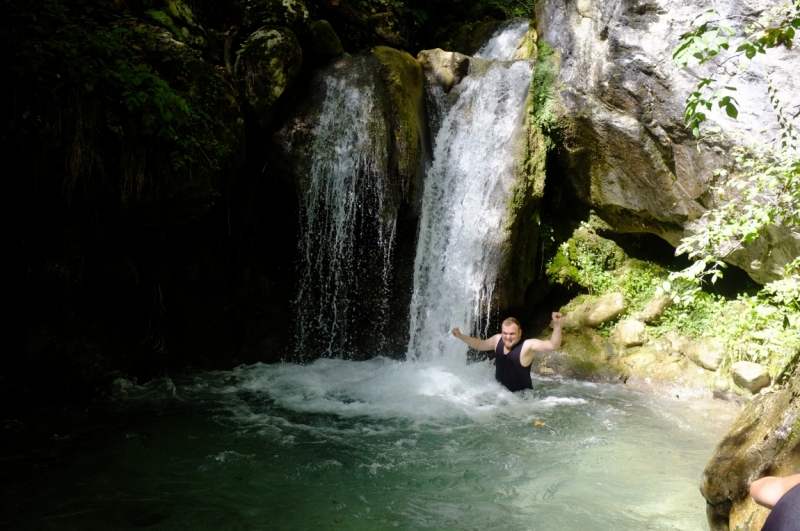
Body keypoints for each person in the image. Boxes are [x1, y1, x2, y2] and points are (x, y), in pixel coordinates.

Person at [451, 313, 563, 392]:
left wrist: (557, 325)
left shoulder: (527, 346)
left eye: (512, 334)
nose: (508, 337)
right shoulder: (497, 339)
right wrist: (460, 336)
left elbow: (553, 345)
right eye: (505, 333)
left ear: (520, 332)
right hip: (500, 394)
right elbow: (479, 344)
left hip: (521, 401)